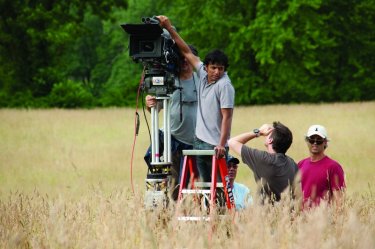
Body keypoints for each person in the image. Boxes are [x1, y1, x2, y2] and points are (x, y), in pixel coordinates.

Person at [157, 15, 235, 184]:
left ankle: (219, 210)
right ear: (205, 67)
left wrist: (222, 144)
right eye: (213, 68)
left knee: (218, 185)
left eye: (221, 69)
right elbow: (185, 50)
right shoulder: (201, 73)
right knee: (201, 185)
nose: (216, 72)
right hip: (198, 142)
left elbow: (227, 117)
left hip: (215, 144)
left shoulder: (225, 85)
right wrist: (170, 29)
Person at [144, 45, 199, 200]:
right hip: (173, 143)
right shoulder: (168, 81)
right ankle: (172, 218)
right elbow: (156, 108)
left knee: (196, 187)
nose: (184, 62)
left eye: (187, 58)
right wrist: (150, 104)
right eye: (181, 58)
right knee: (174, 186)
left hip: (197, 144)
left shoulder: (202, 80)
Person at [228, 122, 299, 204]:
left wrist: (259, 132)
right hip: (286, 215)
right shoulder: (292, 164)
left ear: (270, 140)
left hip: (264, 215)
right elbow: (298, 197)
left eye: (268, 134)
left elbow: (232, 142)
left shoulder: (262, 159)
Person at [298, 125, 346, 208]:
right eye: (312, 139)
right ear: (307, 141)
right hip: (301, 219)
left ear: (325, 142)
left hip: (322, 218)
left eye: (319, 140)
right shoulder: (301, 164)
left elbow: (339, 200)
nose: (315, 143)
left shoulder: (334, 167)